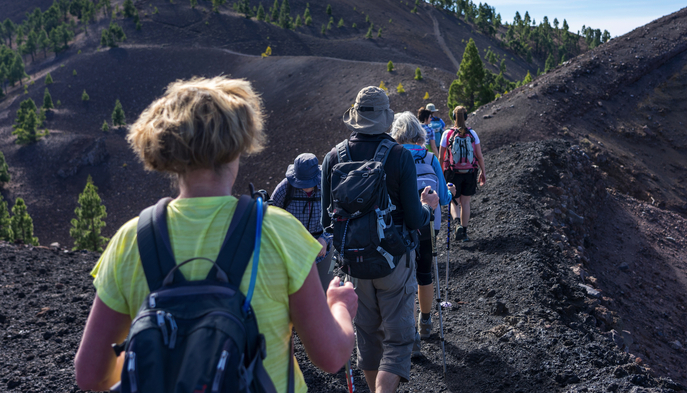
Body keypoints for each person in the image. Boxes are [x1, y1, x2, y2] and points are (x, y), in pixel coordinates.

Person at [75, 76, 358, 393]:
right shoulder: (277, 231)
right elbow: (331, 357)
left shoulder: (130, 240)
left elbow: (90, 375)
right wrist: (340, 306)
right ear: (238, 144)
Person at [321, 86, 438, 393]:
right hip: (393, 263)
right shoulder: (399, 156)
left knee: (368, 340)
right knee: (398, 341)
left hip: (353, 267)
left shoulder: (333, 157)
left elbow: (326, 221)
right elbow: (414, 219)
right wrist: (428, 208)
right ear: (386, 120)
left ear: (355, 118)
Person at [390, 111, 453, 356]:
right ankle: (425, 322)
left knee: (403, 278)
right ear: (419, 132)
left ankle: (410, 335)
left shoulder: (392, 157)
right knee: (424, 273)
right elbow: (445, 199)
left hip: (398, 227)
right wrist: (448, 189)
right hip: (427, 225)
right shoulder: (429, 157)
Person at [271, 153, 333, 290]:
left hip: (322, 250)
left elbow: (338, 217)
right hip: (292, 251)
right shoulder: (285, 188)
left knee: (325, 292)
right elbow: (270, 217)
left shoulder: (328, 186)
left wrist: (325, 239)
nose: (304, 187)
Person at [438, 106, 486, 243]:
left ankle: (457, 224)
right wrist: (483, 171)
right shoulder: (473, 134)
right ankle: (464, 233)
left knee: (454, 201)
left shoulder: (447, 134)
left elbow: (441, 157)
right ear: (465, 117)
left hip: (452, 173)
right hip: (470, 173)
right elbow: (479, 156)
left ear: (453, 117)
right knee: (466, 202)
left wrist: (441, 174)